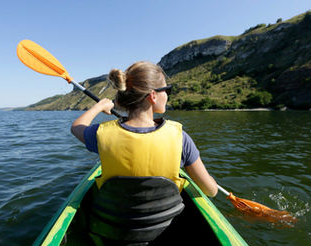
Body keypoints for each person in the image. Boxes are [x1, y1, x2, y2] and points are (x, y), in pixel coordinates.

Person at [71, 61, 218, 197]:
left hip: (114, 222)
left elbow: (76, 127)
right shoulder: (180, 138)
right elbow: (210, 191)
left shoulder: (102, 134)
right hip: (164, 223)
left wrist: (100, 106)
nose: (167, 95)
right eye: (167, 90)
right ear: (153, 96)